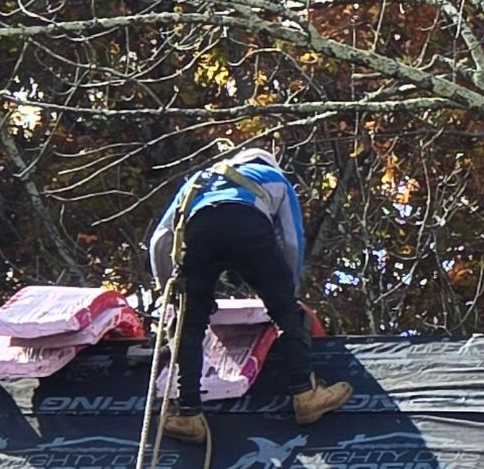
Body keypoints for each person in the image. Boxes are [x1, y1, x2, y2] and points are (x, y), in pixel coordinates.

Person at [148, 145, 351, 442]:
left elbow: (160, 240)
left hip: (199, 232)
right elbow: (292, 241)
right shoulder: (273, 178)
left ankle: (189, 414)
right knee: (284, 312)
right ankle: (305, 397)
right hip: (247, 225)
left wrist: (169, 288)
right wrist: (285, 290)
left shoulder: (198, 181)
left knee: (188, 324)